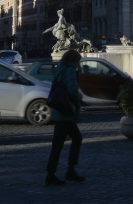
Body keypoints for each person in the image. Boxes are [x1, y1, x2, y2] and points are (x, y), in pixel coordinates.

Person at [45, 49, 85, 186]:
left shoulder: (59, 68)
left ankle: (69, 170)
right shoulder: (69, 71)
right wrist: (77, 103)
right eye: (78, 61)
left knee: (73, 139)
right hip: (66, 111)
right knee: (61, 143)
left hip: (59, 109)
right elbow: (72, 90)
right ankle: (54, 174)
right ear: (74, 60)